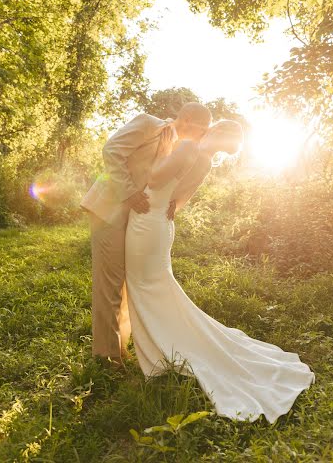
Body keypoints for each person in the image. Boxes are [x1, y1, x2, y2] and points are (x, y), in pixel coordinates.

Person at [124, 119, 315, 423]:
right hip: (162, 223)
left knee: (145, 286)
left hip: (146, 223)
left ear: (215, 130)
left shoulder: (186, 147)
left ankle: (160, 354)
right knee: (156, 286)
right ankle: (164, 347)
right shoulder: (206, 163)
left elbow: (156, 179)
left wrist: (158, 156)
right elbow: (178, 202)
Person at [80, 103, 212, 368]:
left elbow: (159, 179)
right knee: (111, 282)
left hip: (134, 219)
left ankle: (120, 347)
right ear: (186, 118)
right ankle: (105, 356)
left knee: (130, 283)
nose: (202, 136)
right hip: (108, 209)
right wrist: (128, 192)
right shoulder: (148, 123)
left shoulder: (177, 144)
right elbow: (111, 150)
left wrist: (174, 201)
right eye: (201, 129)